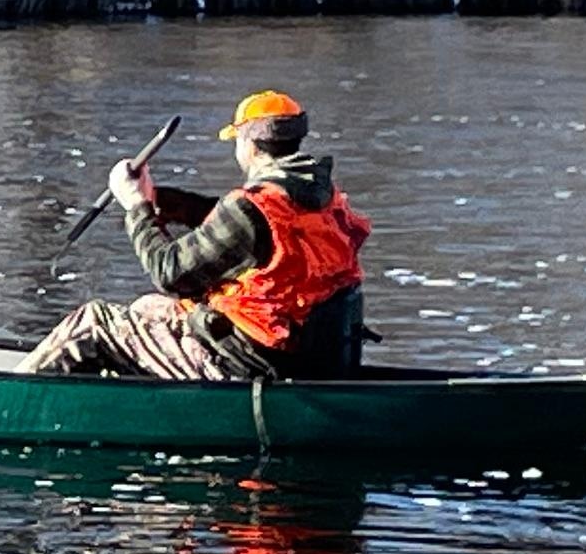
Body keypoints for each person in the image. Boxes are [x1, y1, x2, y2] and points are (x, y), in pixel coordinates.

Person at [26, 90, 370, 382]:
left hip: (244, 362)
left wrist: (136, 207)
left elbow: (169, 273)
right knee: (146, 308)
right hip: (298, 354)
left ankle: (10, 396)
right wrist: (159, 200)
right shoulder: (320, 198)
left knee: (94, 321)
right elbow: (234, 226)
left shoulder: (251, 209)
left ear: (249, 144)